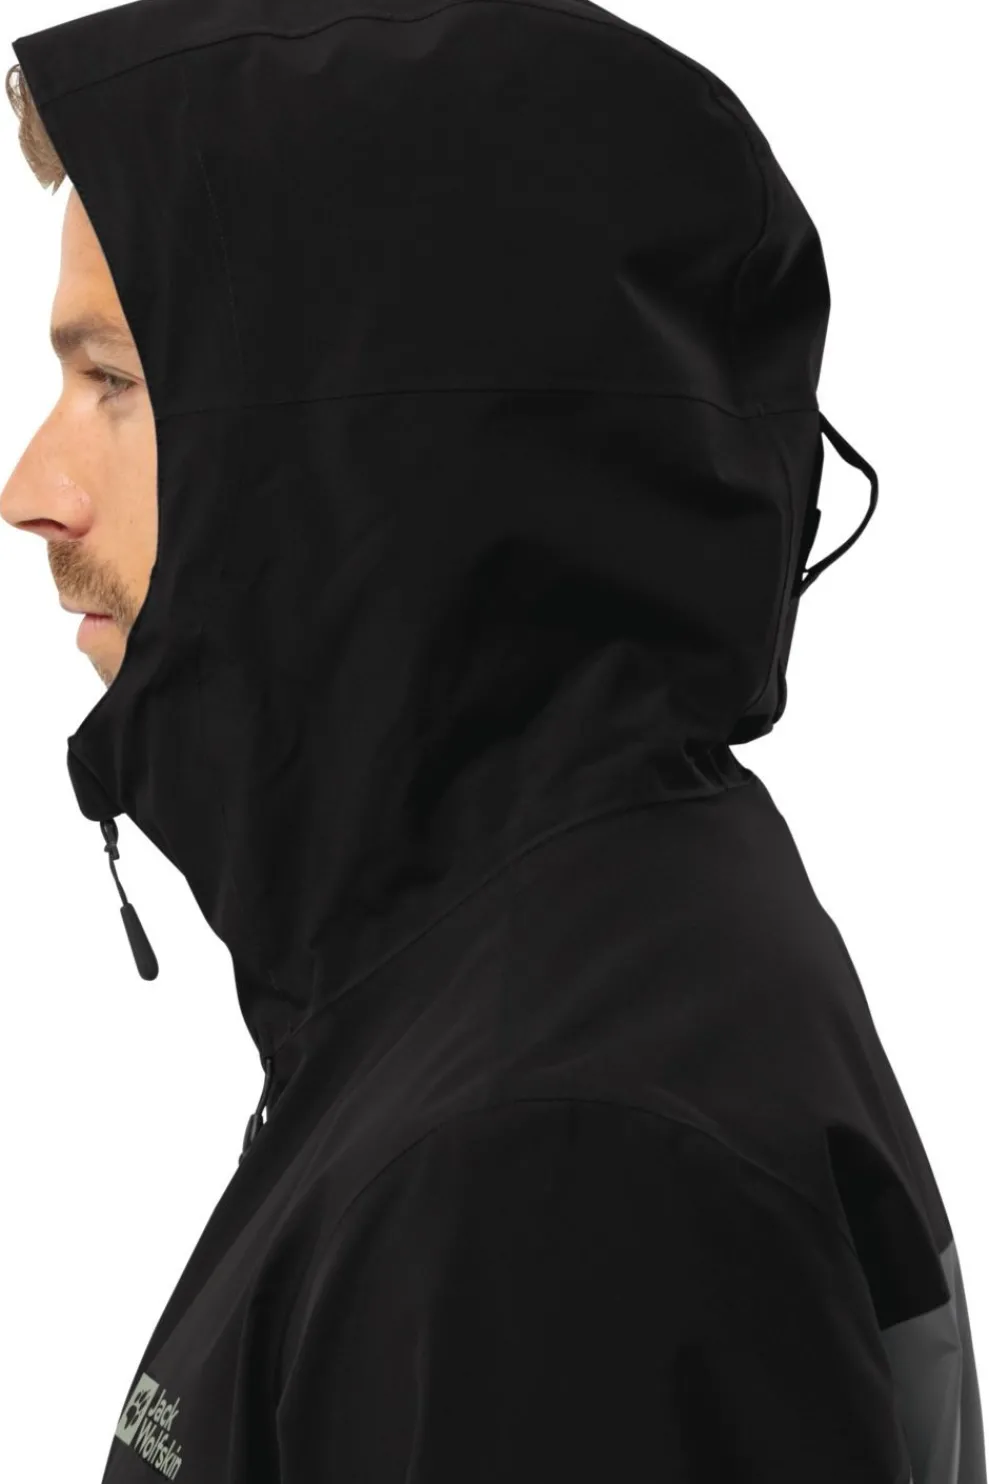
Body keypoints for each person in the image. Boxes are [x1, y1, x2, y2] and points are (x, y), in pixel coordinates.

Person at [2, 2, 984, 1482]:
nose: (32, 488)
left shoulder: (545, 1173)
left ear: (371, 445)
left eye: (117, 385)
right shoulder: (555, 969)